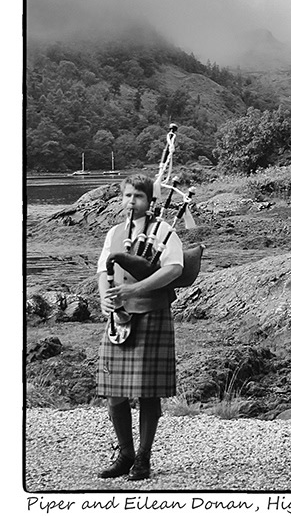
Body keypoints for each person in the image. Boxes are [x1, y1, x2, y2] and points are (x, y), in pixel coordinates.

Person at [95, 173, 184, 481]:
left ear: (150, 201)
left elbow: (174, 269)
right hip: (118, 317)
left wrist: (137, 289)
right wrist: (105, 300)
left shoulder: (165, 231)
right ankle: (125, 455)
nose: (132, 202)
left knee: (148, 393)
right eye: (128, 196)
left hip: (151, 313)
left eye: (138, 197)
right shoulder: (115, 233)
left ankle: (143, 460)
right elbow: (102, 271)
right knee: (114, 392)